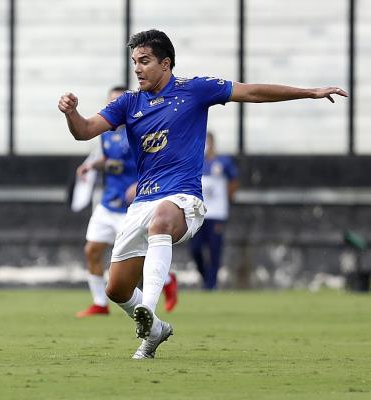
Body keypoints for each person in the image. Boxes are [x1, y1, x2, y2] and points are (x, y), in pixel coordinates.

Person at [58, 29, 346, 359]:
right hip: (142, 203)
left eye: (145, 61)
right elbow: (84, 132)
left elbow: (251, 92)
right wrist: (71, 113)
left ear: (165, 64)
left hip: (183, 198)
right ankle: (154, 331)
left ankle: (149, 309)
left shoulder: (194, 89)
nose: (137, 69)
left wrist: (310, 92)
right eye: (134, 62)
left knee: (162, 219)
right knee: (117, 288)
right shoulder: (128, 103)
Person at [75, 86, 178, 317]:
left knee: (134, 260)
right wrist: (91, 165)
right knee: (92, 249)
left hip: (132, 206)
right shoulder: (106, 132)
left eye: (118, 101)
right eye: (111, 101)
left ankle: (169, 280)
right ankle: (100, 303)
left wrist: (139, 184)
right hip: (108, 202)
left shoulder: (140, 130)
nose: (114, 106)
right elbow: (109, 158)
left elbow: (157, 161)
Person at [190, 132, 239, 290]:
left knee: (214, 248)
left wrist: (227, 201)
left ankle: (211, 284)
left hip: (217, 213)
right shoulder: (195, 161)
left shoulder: (223, 162)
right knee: (195, 248)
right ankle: (206, 277)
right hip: (198, 213)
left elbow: (233, 182)